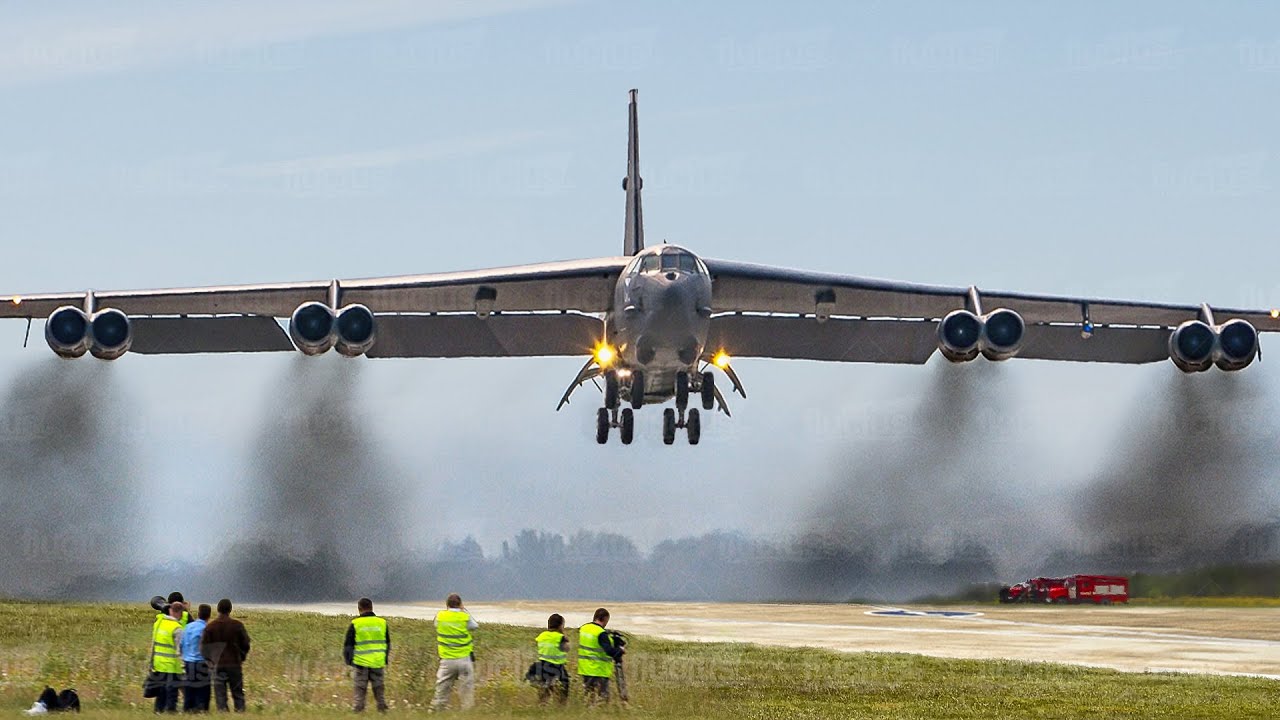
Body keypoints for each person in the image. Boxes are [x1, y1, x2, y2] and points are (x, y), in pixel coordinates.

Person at [429, 594, 478, 712]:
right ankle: (467, 713)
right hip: (464, 659)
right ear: (460, 604)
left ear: (447, 604)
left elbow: (435, 624)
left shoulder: (440, 616)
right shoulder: (464, 616)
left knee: (442, 688)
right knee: (466, 690)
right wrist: (464, 610)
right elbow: (475, 626)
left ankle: (436, 711)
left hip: (446, 659)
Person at [201, 598, 250, 713]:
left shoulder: (210, 627)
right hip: (234, 663)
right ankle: (240, 713)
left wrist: (210, 661)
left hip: (217, 665)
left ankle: (223, 714)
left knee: (220, 694)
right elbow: (246, 644)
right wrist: (241, 656)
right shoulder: (237, 625)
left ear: (218, 609)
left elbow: (204, 648)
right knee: (237, 693)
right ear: (230, 610)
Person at [344, 598, 390, 713]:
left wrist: (349, 661)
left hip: (360, 662)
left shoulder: (355, 623)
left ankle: (358, 710)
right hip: (377, 662)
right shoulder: (382, 623)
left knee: (360, 688)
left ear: (359, 608)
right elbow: (388, 643)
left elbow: (348, 645)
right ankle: (382, 708)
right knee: (379, 687)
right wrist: (384, 658)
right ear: (372, 607)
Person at [577, 608, 624, 705]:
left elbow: (594, 643)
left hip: (585, 669)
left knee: (589, 698)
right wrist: (620, 650)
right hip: (598, 671)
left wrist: (610, 638)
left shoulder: (584, 628)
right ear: (605, 619)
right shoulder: (601, 633)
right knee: (602, 700)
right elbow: (609, 651)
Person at [150, 601, 186, 713]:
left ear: (170, 610)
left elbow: (154, 643)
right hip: (171, 665)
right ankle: (171, 711)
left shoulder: (159, 623)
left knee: (161, 690)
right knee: (172, 691)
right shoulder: (177, 628)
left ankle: (158, 711)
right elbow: (180, 649)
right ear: (180, 613)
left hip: (158, 663)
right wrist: (184, 665)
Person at [531, 614, 569, 705]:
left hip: (543, 665)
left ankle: (542, 705)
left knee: (544, 689)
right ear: (560, 625)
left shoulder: (542, 635)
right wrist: (564, 636)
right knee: (564, 687)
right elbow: (567, 648)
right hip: (557, 667)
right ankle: (561, 706)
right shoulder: (560, 637)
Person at [181, 604, 212, 712]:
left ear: (198, 614)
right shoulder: (207, 629)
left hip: (188, 662)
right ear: (209, 616)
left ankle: (188, 709)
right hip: (202, 662)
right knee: (203, 689)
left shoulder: (188, 627)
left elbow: (182, 643)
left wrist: (185, 657)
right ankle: (202, 709)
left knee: (189, 687)